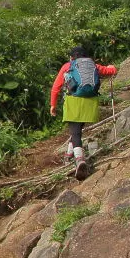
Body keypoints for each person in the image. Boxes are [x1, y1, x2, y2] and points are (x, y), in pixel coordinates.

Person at [49, 46, 117, 181]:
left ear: (72, 57)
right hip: (90, 102)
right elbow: (110, 71)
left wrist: (53, 105)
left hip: (74, 101)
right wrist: (112, 67)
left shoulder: (68, 66)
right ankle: (68, 156)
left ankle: (79, 160)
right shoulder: (94, 66)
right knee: (78, 129)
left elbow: (56, 87)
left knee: (75, 132)